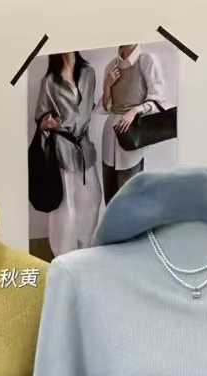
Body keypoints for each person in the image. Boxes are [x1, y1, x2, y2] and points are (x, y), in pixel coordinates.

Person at [34, 51, 103, 253]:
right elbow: (40, 116)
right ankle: (62, 253)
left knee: (92, 199)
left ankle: (84, 247)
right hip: (61, 149)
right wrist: (46, 122)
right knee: (64, 207)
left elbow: (89, 108)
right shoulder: (49, 81)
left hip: (84, 149)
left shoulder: (89, 73)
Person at [100, 44, 168, 202]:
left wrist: (135, 110)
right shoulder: (111, 66)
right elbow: (106, 106)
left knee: (131, 196)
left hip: (132, 134)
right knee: (110, 197)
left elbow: (158, 98)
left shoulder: (146, 60)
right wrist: (107, 85)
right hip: (109, 135)